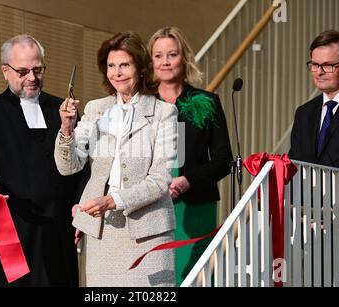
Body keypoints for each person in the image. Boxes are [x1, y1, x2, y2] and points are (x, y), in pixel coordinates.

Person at [55, 31, 178, 287]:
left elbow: (160, 180)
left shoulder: (165, 113)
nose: (117, 72)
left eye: (124, 65)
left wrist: (113, 200)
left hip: (148, 233)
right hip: (103, 232)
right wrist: (67, 129)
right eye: (111, 66)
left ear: (141, 68)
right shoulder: (95, 109)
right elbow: (68, 166)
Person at [0, 34, 87, 286]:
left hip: (58, 227)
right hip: (12, 226)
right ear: (5, 71)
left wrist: (80, 205)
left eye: (38, 69)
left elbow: (83, 165)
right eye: (23, 71)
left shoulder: (62, 110)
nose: (32, 77)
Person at [148, 26, 233, 286]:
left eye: (171, 54)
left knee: (194, 277)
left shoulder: (206, 101)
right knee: (156, 278)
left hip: (196, 203)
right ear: (150, 61)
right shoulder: (141, 103)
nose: (165, 62)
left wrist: (188, 180)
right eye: (158, 55)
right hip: (151, 203)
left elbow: (223, 160)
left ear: (184, 58)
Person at [289, 30, 339, 171]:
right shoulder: (304, 113)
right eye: (315, 65)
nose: (319, 72)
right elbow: (294, 165)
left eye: (327, 65)